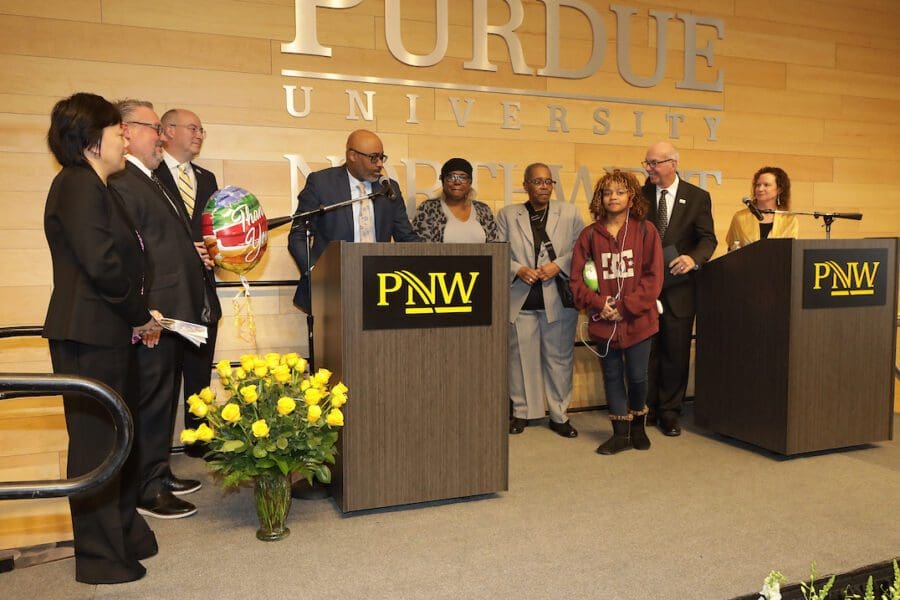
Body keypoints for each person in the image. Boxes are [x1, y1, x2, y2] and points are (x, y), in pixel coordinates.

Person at [42, 92, 161, 583]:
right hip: (90, 333)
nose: (125, 140)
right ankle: (98, 556)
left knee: (122, 438)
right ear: (92, 141)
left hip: (111, 330)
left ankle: (124, 534)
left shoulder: (100, 186)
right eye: (117, 132)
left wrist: (137, 313)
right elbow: (102, 266)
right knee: (97, 445)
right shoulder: (75, 185)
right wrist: (140, 314)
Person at [110, 100, 211, 519]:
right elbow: (132, 252)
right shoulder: (122, 182)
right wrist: (147, 309)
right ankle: (146, 488)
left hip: (171, 313)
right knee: (150, 402)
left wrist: (192, 253)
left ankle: (158, 470)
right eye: (152, 127)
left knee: (163, 400)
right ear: (126, 131)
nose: (160, 136)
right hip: (155, 314)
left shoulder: (148, 179)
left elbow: (162, 240)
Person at [569, 170, 664, 454]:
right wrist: (600, 305)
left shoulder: (646, 231)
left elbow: (653, 278)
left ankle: (638, 425)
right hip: (603, 322)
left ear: (631, 197)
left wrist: (624, 308)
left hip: (638, 321)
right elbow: (576, 280)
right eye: (607, 192)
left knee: (637, 376)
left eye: (620, 192)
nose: (613, 197)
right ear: (600, 198)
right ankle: (620, 435)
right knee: (612, 376)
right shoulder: (589, 235)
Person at [288, 129, 420, 312]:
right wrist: (314, 272)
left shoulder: (388, 188)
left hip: (380, 287)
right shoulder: (321, 183)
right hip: (331, 286)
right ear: (352, 155)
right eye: (374, 157)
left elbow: (406, 238)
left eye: (382, 157)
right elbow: (297, 234)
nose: (380, 164)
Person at [153, 108, 222, 455]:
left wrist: (217, 253)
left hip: (204, 296)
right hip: (165, 298)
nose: (199, 134)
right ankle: (157, 455)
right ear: (166, 131)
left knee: (199, 375)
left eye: (201, 129)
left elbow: (215, 230)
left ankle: (199, 441)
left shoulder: (207, 179)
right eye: (193, 128)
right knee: (162, 381)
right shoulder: (148, 175)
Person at [497, 163, 584, 437]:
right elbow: (498, 251)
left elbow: (582, 249)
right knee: (520, 358)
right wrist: (517, 270)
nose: (544, 186)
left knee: (559, 359)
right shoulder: (509, 214)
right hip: (521, 297)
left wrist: (558, 265)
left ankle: (559, 415)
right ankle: (522, 412)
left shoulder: (569, 212)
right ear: (526, 185)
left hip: (557, 298)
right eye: (537, 181)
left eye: (548, 182)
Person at [642, 142, 717, 437]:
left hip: (679, 289)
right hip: (645, 288)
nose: (649, 169)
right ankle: (644, 408)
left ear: (673, 163)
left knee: (675, 351)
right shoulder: (640, 196)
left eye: (654, 163)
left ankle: (670, 412)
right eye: (646, 163)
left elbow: (707, 239)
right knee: (647, 351)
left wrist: (693, 259)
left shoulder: (697, 197)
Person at [411, 157, 499, 243]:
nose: (457, 182)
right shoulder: (428, 209)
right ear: (443, 180)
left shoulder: (483, 210)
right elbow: (421, 250)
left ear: (470, 182)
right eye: (451, 177)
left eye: (463, 177)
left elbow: (496, 249)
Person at [725, 166, 799, 249]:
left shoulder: (789, 219)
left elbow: (791, 251)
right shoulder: (740, 217)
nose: (760, 189)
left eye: (766, 185)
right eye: (758, 185)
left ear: (779, 189)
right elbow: (731, 250)